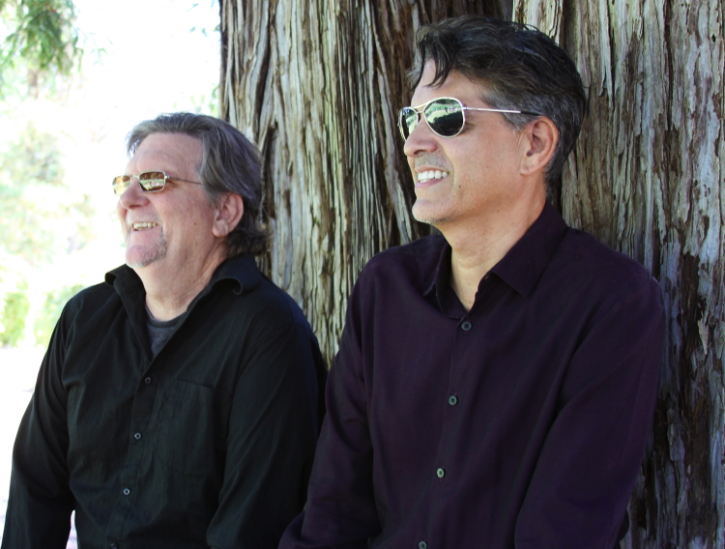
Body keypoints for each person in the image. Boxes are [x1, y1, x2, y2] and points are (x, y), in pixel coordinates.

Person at [280, 16, 664, 549]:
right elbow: (332, 510)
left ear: (534, 144)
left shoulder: (610, 305)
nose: (414, 143)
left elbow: (563, 531)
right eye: (411, 118)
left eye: (445, 116)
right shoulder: (384, 289)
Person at [2, 113, 326, 549]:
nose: (128, 199)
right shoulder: (84, 318)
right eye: (125, 182)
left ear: (224, 212)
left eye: (155, 181)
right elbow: (35, 490)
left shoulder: (270, 334)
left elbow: (251, 529)